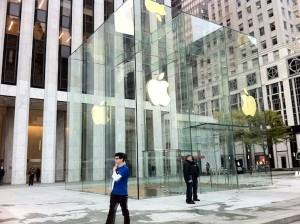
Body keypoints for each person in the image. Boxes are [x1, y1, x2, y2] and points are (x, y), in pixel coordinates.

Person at [105, 152, 130, 224]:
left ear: (122, 159)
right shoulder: (117, 168)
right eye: (115, 158)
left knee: (124, 211)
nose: (115, 160)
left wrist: (114, 170)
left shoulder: (125, 169)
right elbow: (113, 180)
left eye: (117, 158)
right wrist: (111, 189)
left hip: (122, 194)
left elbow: (116, 178)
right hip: (114, 193)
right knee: (111, 211)